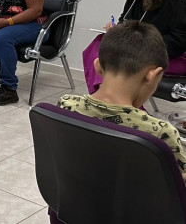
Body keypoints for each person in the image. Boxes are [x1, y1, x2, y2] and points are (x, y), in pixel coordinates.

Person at [61, 21, 186, 178]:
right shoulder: (161, 133)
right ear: (152, 76)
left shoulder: (67, 105)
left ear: (97, 66)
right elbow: (178, 185)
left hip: (77, 191)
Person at [83, 0, 186, 93]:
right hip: (135, 49)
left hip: (165, 56)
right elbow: (125, 18)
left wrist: (143, 44)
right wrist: (117, 29)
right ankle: (104, 96)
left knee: (118, 62)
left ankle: (113, 99)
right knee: (99, 44)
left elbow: (179, 40)